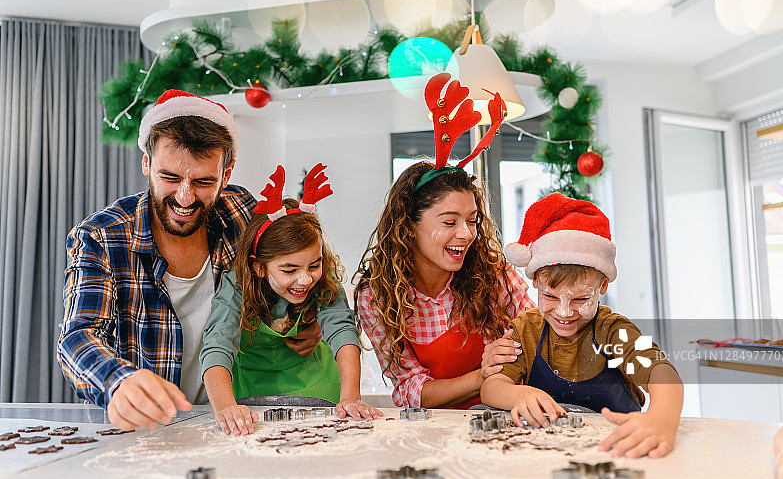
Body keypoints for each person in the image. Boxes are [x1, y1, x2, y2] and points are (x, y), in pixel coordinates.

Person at [57, 90, 322, 431]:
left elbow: (293, 272)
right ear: (146, 164)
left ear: (227, 174)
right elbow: (78, 337)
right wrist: (117, 381)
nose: (185, 198)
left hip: (234, 420)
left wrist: (307, 320)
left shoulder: (243, 214)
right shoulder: (101, 236)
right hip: (141, 431)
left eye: (203, 182)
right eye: (169, 177)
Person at [354, 73, 533, 409]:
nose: (466, 234)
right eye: (449, 221)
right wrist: (483, 375)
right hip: (436, 428)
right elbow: (410, 391)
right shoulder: (377, 296)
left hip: (509, 412)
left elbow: (538, 331)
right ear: (408, 226)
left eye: (472, 220)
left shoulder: (494, 273)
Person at [481, 192, 684, 458]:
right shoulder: (526, 330)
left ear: (603, 285)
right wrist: (517, 395)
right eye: (550, 297)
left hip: (615, 452)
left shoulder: (613, 332)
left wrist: (662, 419)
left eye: (580, 299)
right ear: (536, 282)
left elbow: (663, 375)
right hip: (546, 454)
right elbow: (491, 387)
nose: (564, 312)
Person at [201, 164, 382, 436]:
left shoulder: (324, 278)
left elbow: (343, 331)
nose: (305, 279)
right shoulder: (237, 285)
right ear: (259, 267)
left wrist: (351, 397)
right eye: (289, 270)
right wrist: (225, 407)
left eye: (314, 265)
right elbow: (217, 344)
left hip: (318, 390)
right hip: (251, 395)